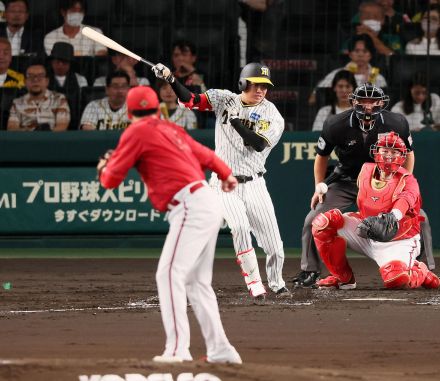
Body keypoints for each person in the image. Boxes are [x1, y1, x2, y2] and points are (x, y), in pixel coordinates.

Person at [97, 85, 242, 365]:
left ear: (129, 112)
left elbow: (111, 180)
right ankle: (221, 350)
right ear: (156, 108)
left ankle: (177, 350)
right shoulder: (172, 129)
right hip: (206, 201)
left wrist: (104, 169)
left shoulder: (135, 131)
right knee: (197, 283)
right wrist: (226, 174)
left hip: (189, 205)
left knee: (169, 274)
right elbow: (208, 156)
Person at [152, 61, 289, 302]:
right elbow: (191, 100)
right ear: (243, 83)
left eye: (265, 86)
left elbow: (256, 144)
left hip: (255, 183)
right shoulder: (225, 99)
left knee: (274, 246)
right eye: (256, 84)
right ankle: (254, 282)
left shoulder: (272, 114)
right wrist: (171, 79)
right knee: (238, 227)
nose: (261, 90)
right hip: (224, 183)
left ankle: (277, 282)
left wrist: (236, 121)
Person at [292, 82, 435, 288]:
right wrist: (318, 186)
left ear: (381, 102)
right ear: (354, 102)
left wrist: (403, 182)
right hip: (347, 181)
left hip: (384, 182)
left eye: (373, 101)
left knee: (420, 217)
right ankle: (310, 271)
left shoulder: (397, 122)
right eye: (363, 101)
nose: (368, 106)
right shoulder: (335, 123)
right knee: (313, 219)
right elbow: (321, 157)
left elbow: (409, 155)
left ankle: (423, 267)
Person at [312, 132, 439, 290]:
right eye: (385, 151)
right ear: (376, 152)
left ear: (402, 156)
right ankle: (343, 278)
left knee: (397, 280)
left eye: (394, 152)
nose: (388, 156)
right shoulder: (365, 170)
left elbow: (406, 198)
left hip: (398, 240)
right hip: (367, 231)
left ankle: (420, 271)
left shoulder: (408, 180)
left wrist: (393, 216)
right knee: (322, 223)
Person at [309, 34, 387, 106]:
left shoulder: (378, 78)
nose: (360, 55)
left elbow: (384, 104)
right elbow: (314, 98)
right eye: (356, 51)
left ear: (370, 55)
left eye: (365, 51)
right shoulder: (337, 74)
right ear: (350, 54)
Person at [7, 61, 70, 131]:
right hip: (26, 139)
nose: (35, 79)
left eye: (40, 76)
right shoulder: (17, 103)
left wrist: (46, 137)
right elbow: (12, 128)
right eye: (30, 76)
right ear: (25, 82)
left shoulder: (59, 99)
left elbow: (62, 126)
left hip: (52, 138)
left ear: (47, 81)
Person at [48, 41, 87, 130]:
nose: (60, 65)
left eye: (64, 62)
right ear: (52, 62)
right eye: (57, 61)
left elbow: (82, 105)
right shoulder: (44, 79)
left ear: (70, 63)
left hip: (74, 124)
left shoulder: (80, 80)